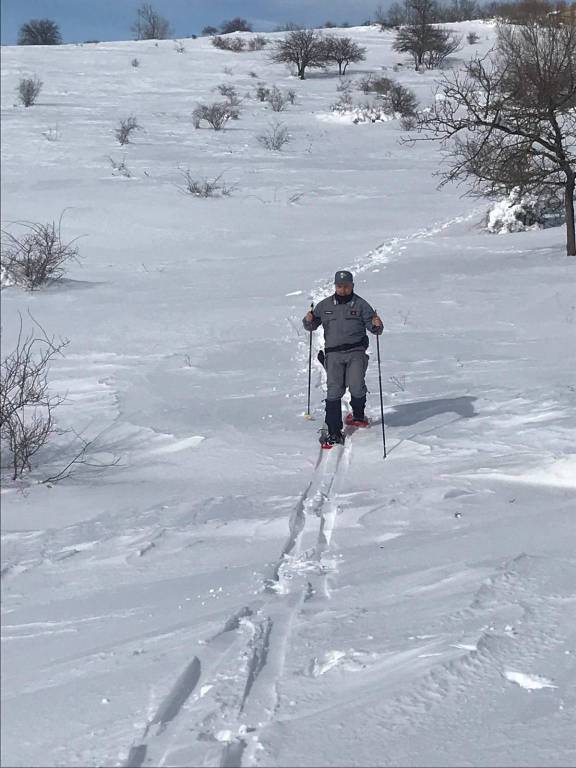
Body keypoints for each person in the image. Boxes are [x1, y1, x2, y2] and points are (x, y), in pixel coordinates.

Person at [303, 270, 383, 446]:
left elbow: (375, 328)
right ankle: (333, 431)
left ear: (352, 285)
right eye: (340, 286)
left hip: (356, 352)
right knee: (334, 391)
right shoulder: (324, 306)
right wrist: (308, 320)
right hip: (333, 354)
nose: (343, 289)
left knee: (356, 386)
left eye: (346, 286)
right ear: (335, 286)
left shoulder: (361, 305)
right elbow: (311, 325)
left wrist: (377, 325)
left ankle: (358, 413)